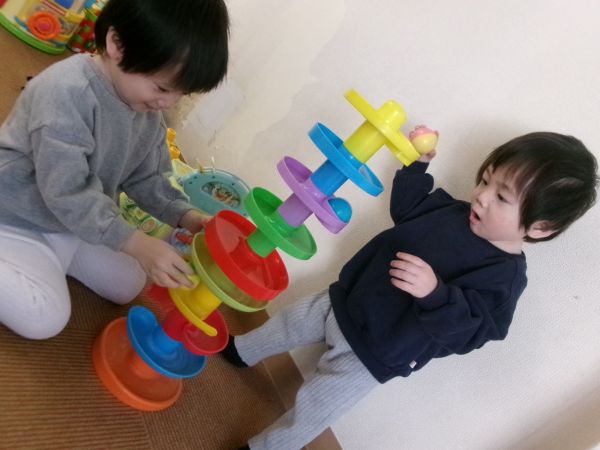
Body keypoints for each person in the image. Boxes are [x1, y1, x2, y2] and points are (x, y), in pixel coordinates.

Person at [221, 132, 599, 450]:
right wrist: (417, 166)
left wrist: (435, 293)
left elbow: (474, 330)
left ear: (540, 227)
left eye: (502, 197)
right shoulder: (453, 211)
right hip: (345, 300)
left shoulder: (504, 277)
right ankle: (241, 349)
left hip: (377, 353)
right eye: (485, 180)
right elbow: (408, 207)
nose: (482, 196)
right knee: (288, 323)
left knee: (315, 408)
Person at [0, 0, 229, 340]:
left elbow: (148, 177)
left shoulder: (147, 112)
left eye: (182, 94)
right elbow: (66, 191)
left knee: (130, 282)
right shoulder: (65, 92)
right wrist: (132, 241)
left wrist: (186, 216)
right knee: (45, 317)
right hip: (18, 217)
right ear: (116, 44)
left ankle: (54, 258)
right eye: (162, 87)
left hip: (71, 223)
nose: (168, 102)